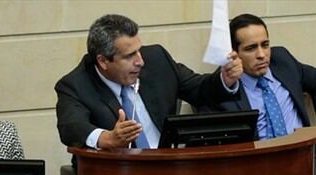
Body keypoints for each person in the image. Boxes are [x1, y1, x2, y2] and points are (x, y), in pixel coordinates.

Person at [55, 14, 243, 151]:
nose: (140, 61)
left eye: (139, 50)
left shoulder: (157, 59)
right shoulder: (75, 85)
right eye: (129, 56)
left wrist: (224, 79)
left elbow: (199, 88)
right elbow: (71, 127)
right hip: (117, 174)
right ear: (103, 61)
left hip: (169, 165)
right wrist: (107, 138)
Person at [200, 13, 316, 175]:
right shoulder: (224, 87)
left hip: (304, 156)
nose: (262, 55)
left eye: (265, 45)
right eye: (251, 48)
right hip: (258, 167)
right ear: (234, 54)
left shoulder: (283, 61)